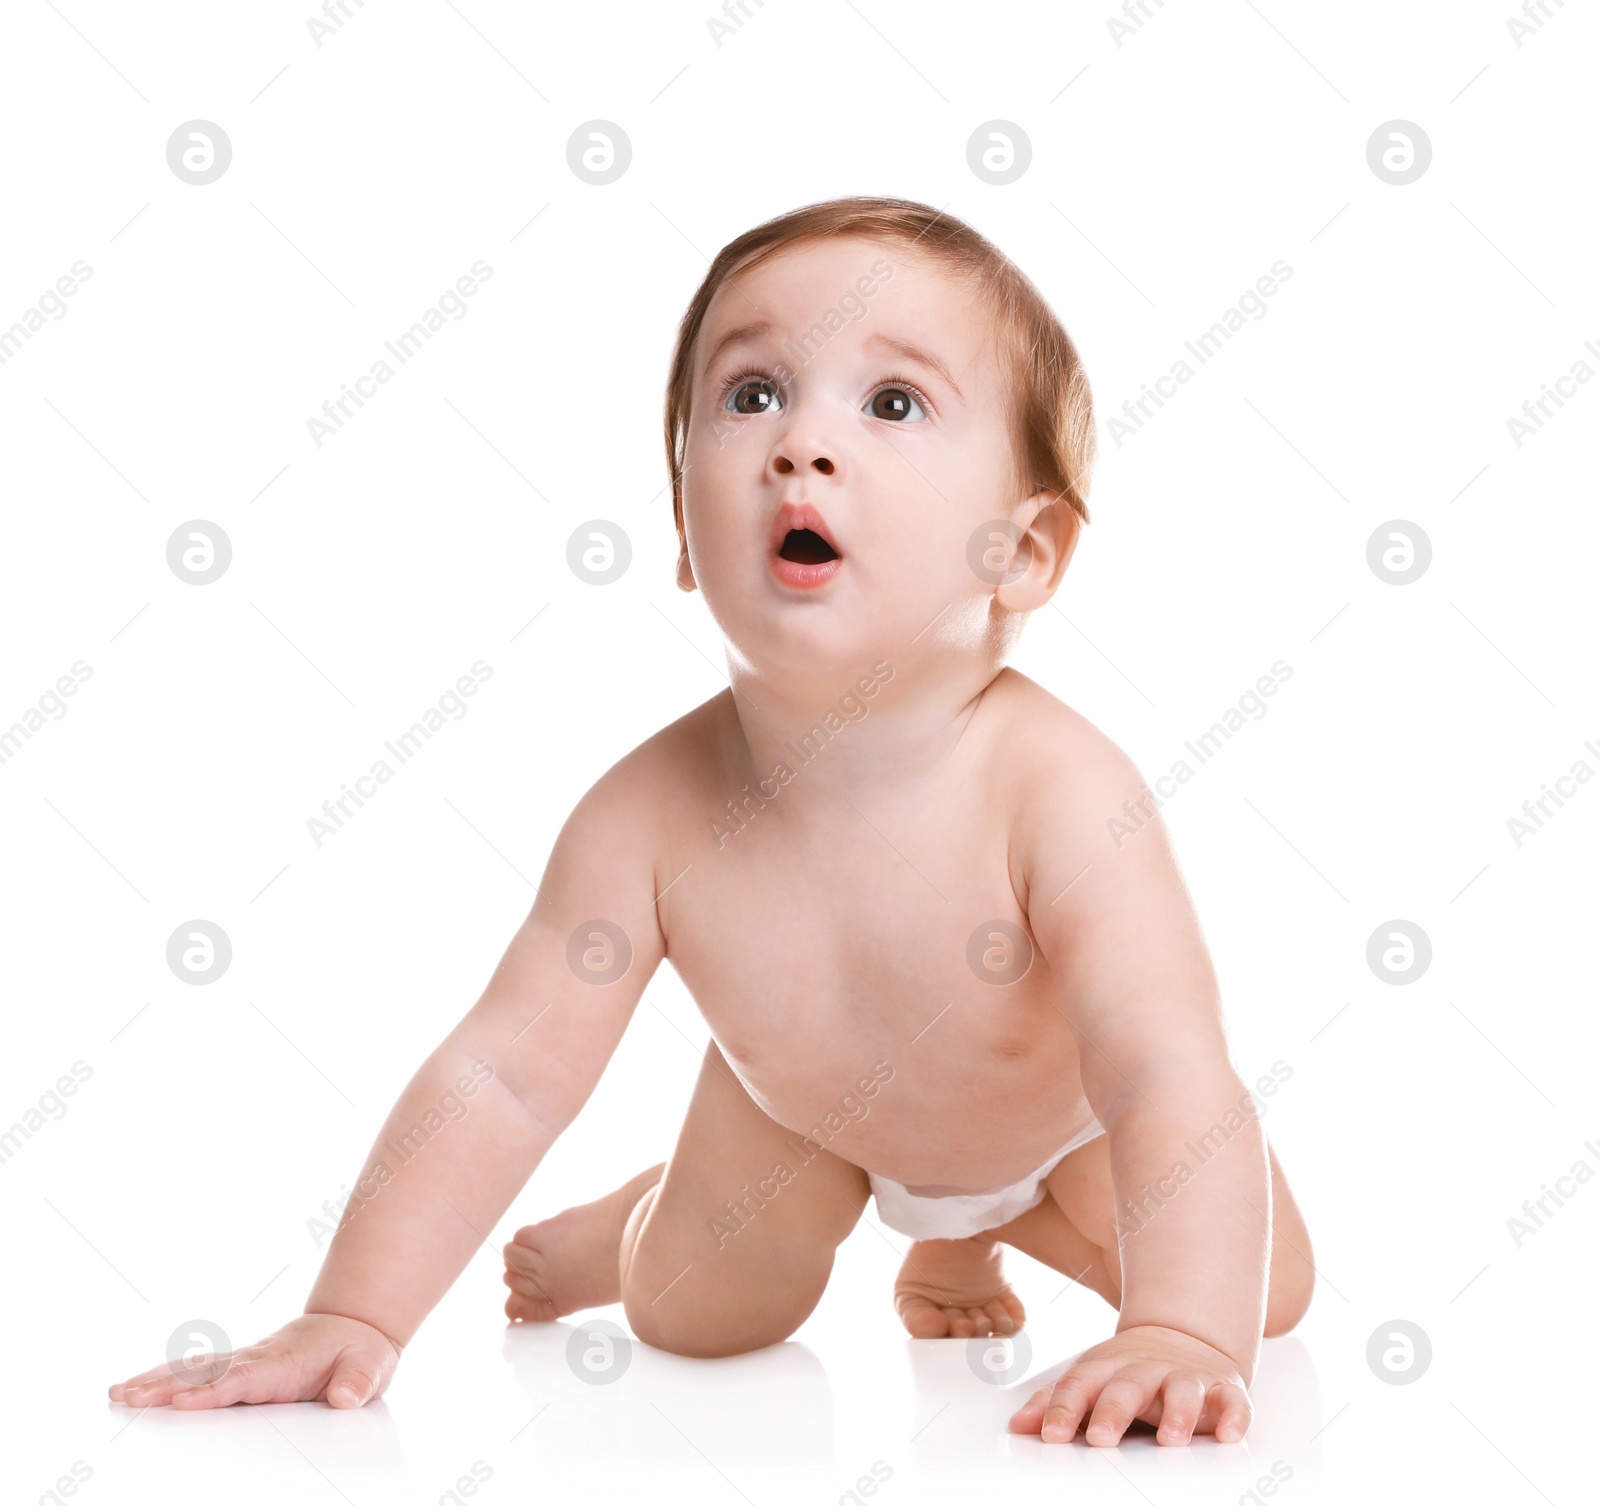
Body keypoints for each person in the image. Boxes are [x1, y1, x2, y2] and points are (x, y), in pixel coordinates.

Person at [110, 196, 1314, 1447]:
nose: (801, 443)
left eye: (890, 403)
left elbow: (1165, 1066)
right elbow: (506, 1071)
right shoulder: (646, 817)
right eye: (750, 396)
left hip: (1061, 1125)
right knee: (699, 1315)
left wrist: (1181, 1328)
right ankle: (624, 1225)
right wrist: (353, 1315)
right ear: (685, 527)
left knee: (1263, 1297)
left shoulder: (1062, 789)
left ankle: (974, 1240)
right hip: (797, 1113)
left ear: (1022, 551)